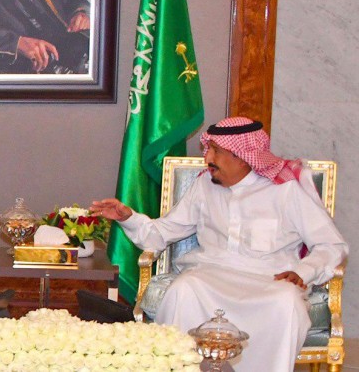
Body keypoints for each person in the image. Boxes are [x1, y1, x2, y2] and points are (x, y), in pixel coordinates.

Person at [91, 117, 348, 372]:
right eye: (208, 149)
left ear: (242, 157)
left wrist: (303, 271)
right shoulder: (204, 186)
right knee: (183, 290)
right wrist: (128, 218)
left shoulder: (286, 190)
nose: (207, 158)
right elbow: (160, 234)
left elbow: (332, 245)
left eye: (216, 150)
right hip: (209, 277)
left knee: (287, 303)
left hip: (268, 282)